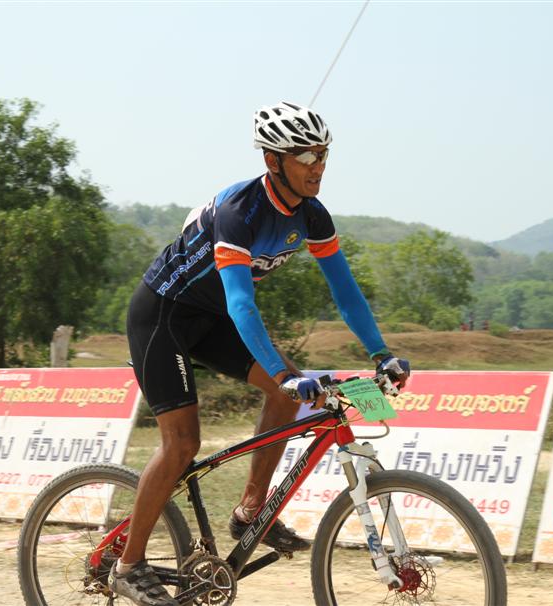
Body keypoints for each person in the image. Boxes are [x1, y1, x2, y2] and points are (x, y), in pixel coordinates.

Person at [110, 101, 411, 606]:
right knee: (183, 443)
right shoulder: (239, 211)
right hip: (163, 316)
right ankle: (128, 565)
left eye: (323, 154)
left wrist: (382, 353)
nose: (318, 166)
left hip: (212, 320)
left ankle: (251, 511)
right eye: (306, 155)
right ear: (274, 160)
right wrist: (282, 372)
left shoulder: (312, 214)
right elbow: (241, 302)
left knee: (283, 392)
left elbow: (345, 291)